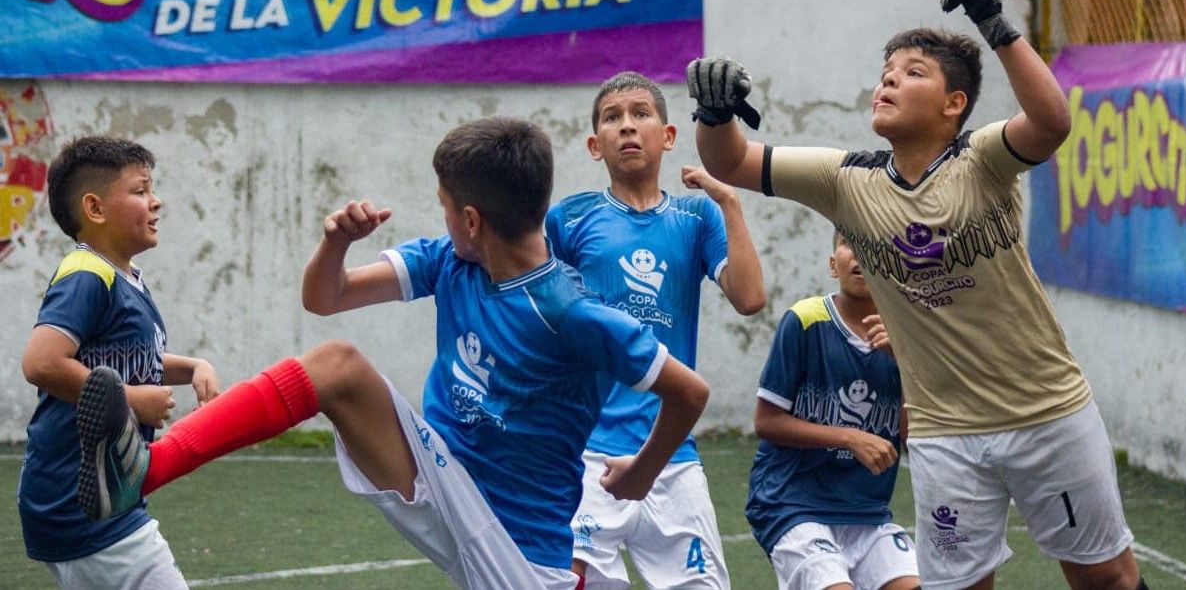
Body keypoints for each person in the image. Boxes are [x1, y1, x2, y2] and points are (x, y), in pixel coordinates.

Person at [76, 116, 710, 590]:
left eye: (443, 207)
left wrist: (643, 471)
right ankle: (145, 472)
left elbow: (689, 392)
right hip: (443, 479)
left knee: (341, 366)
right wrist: (335, 245)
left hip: (518, 551)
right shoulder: (453, 261)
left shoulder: (572, 311)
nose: (442, 219)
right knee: (338, 365)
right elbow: (325, 298)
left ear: (471, 220)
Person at [688, 0, 1150, 590]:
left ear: (953, 104)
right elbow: (733, 160)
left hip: (1046, 412)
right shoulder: (846, 180)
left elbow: (1052, 123)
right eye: (885, 72)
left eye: (912, 73)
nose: (888, 80)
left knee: (1107, 578)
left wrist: (996, 25)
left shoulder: (982, 160)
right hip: (943, 434)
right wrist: (714, 112)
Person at [546, 71, 766, 590]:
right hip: (586, 451)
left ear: (668, 136)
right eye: (612, 117)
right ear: (594, 145)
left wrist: (731, 204)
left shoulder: (696, 216)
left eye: (640, 114)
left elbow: (750, 298)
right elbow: (543, 323)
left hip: (671, 454)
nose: (627, 126)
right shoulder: (568, 220)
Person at [19, 136, 220, 589]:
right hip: (81, 506)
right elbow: (41, 362)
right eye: (141, 190)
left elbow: (128, 359)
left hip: (103, 500)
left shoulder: (121, 278)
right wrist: (131, 399)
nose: (156, 201)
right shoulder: (87, 274)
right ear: (95, 208)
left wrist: (191, 367)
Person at [746, 231, 919, 590]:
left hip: (866, 512)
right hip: (791, 504)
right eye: (848, 243)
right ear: (832, 264)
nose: (859, 255)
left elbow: (911, 437)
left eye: (871, 244)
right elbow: (766, 422)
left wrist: (905, 362)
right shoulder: (805, 320)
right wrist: (849, 437)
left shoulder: (908, 335)